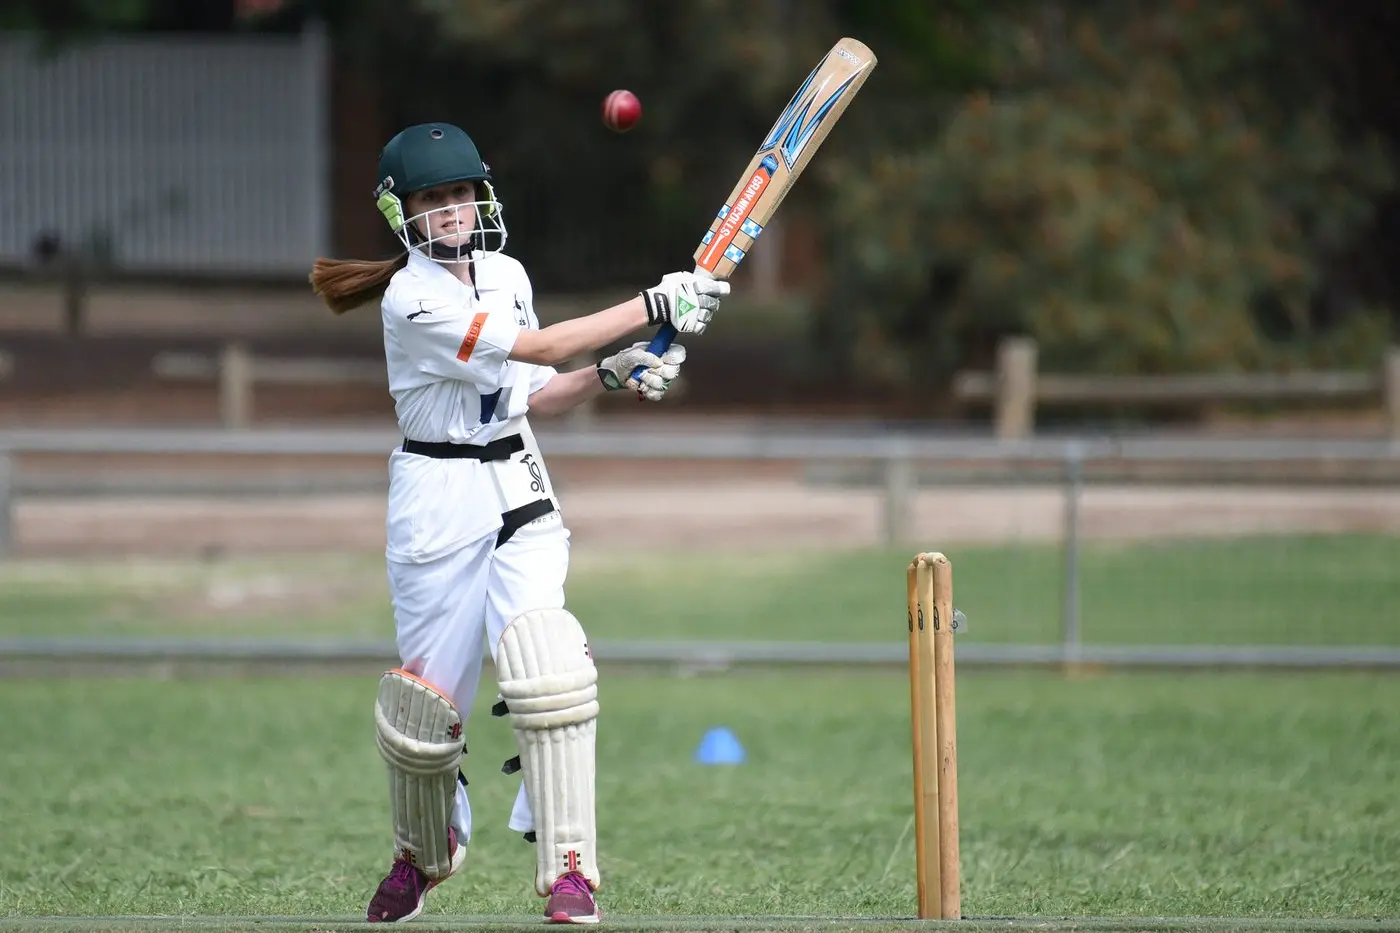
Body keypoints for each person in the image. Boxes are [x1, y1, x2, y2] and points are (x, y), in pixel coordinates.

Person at [307, 121, 729, 925]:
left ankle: (570, 869)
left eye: (463, 192)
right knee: (426, 714)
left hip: (519, 482)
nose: (454, 210)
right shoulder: (411, 296)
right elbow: (535, 345)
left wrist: (611, 372)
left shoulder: (505, 272)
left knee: (549, 664)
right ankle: (423, 856)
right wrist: (651, 305)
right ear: (403, 212)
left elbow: (530, 392)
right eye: (434, 197)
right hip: (436, 497)